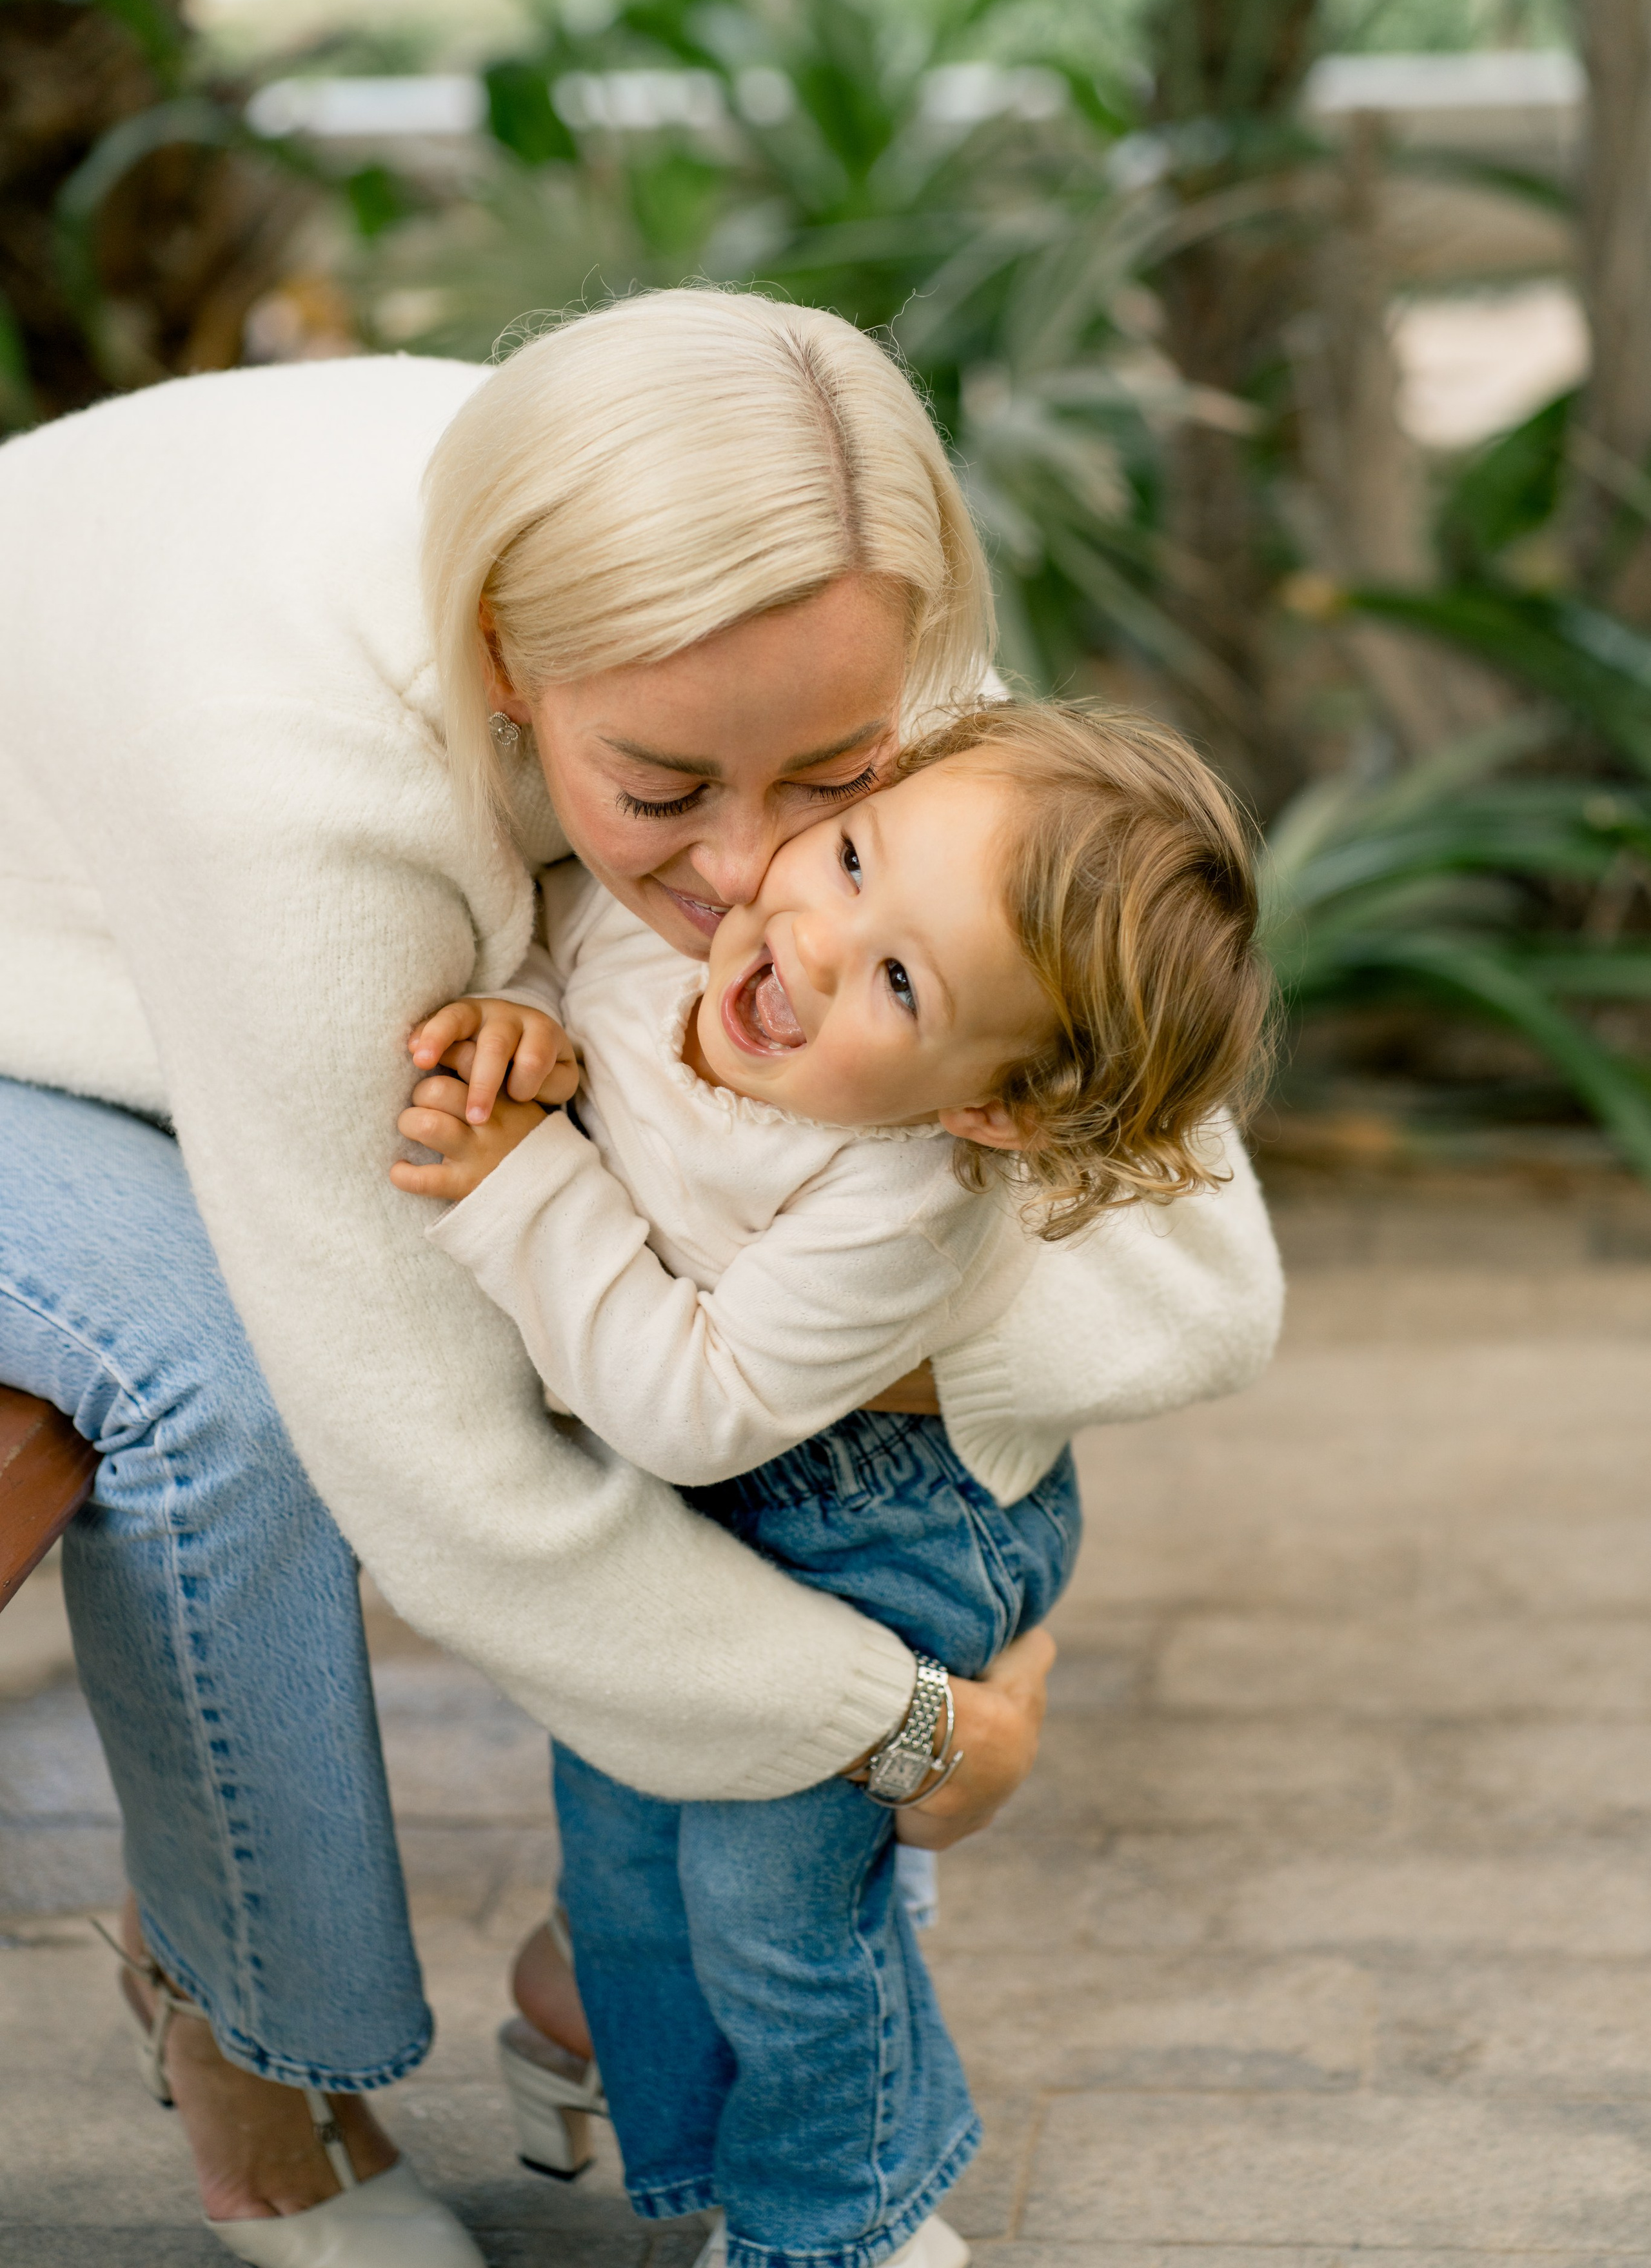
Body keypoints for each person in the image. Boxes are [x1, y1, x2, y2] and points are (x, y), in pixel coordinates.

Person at [0, 289, 1284, 2266]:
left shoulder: (819, 593)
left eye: (841, 785)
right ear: (510, 664)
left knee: (741, 1271)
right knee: (227, 1380)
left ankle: (645, 1976)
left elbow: (1197, 1269)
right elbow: (451, 1480)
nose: (756, 880)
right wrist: (917, 1717)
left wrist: (856, 1355)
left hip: (253, 960)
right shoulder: (292, 786)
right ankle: (263, 2053)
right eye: (665, 796)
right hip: (50, 981)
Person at [390, 695, 1272, 2268]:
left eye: (895, 979)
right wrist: (520, 1014)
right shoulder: (690, 921)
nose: (804, 939)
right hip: (725, 1488)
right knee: (625, 1825)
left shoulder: (903, 1192)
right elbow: (552, 934)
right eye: (853, 856)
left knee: (771, 1910)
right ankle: (639, 2067)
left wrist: (525, 1186)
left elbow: (686, 1405)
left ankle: (838, 2223)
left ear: (983, 1104)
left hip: (889, 1525)